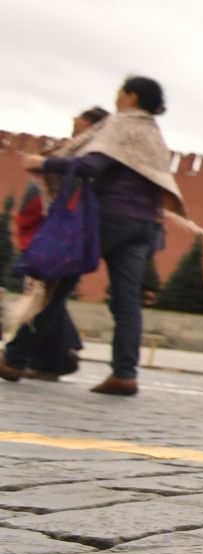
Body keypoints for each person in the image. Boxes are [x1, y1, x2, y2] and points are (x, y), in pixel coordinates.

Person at [10, 78, 191, 396]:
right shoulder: (154, 135)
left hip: (107, 219)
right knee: (126, 303)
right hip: (144, 225)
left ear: (132, 96)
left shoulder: (121, 125)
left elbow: (93, 165)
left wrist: (44, 162)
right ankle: (124, 373)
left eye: (121, 91)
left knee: (55, 284)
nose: (117, 97)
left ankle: (14, 358)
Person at [1, 107, 108, 382]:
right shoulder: (75, 152)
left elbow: (64, 197)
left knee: (48, 296)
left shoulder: (89, 157)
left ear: (94, 126)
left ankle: (17, 358)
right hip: (49, 234)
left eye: (80, 120)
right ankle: (56, 359)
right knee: (52, 296)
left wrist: (46, 163)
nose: (74, 121)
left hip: (60, 238)